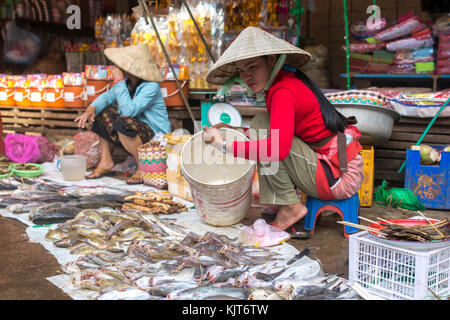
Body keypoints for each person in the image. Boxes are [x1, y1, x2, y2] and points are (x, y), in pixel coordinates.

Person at [202, 27, 364, 236]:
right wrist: (234, 130)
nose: (247, 76)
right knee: (262, 123)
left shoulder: (283, 92)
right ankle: (281, 200)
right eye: (242, 71)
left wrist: (221, 145)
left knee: (266, 134)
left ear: (271, 60)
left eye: (252, 67)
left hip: (339, 176)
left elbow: (276, 150)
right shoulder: (284, 82)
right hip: (332, 164)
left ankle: (290, 207)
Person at [74, 44, 171, 184]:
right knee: (102, 114)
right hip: (135, 131)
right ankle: (106, 161)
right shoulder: (127, 84)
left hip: (155, 136)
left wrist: (118, 81)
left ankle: (142, 167)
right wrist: (90, 110)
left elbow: (129, 111)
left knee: (123, 122)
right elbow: (107, 97)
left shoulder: (151, 87)